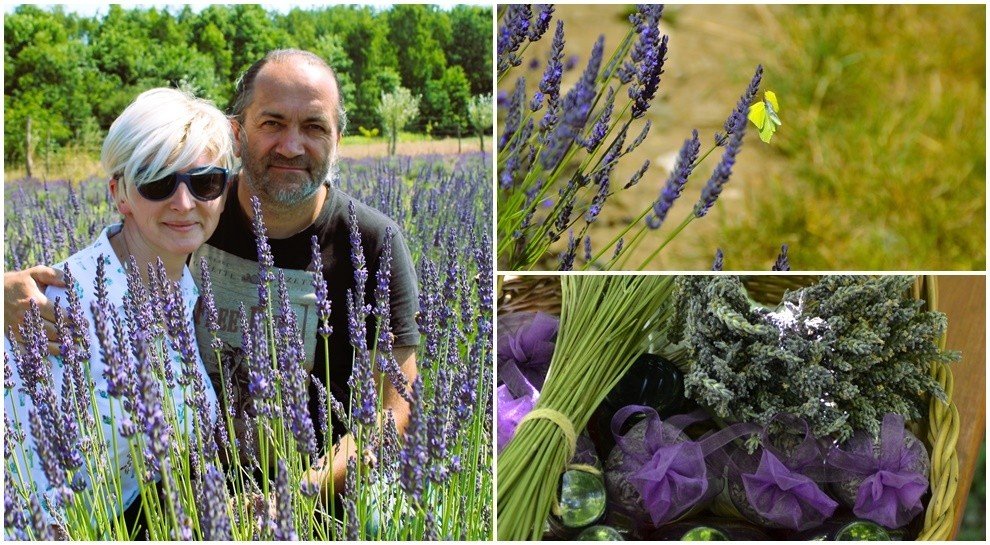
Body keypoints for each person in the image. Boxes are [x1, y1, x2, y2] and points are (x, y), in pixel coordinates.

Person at [5, 49, 420, 499]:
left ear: (338, 137)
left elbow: (395, 406)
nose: (292, 145)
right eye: (272, 122)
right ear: (239, 134)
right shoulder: (193, 221)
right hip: (177, 504)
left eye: (315, 126)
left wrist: (298, 498)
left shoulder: (373, 242)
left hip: (317, 501)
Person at [4, 88, 233, 533]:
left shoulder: (183, 288)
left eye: (205, 181)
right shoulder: (57, 306)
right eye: (157, 181)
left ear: (224, 192)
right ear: (120, 193)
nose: (184, 203)